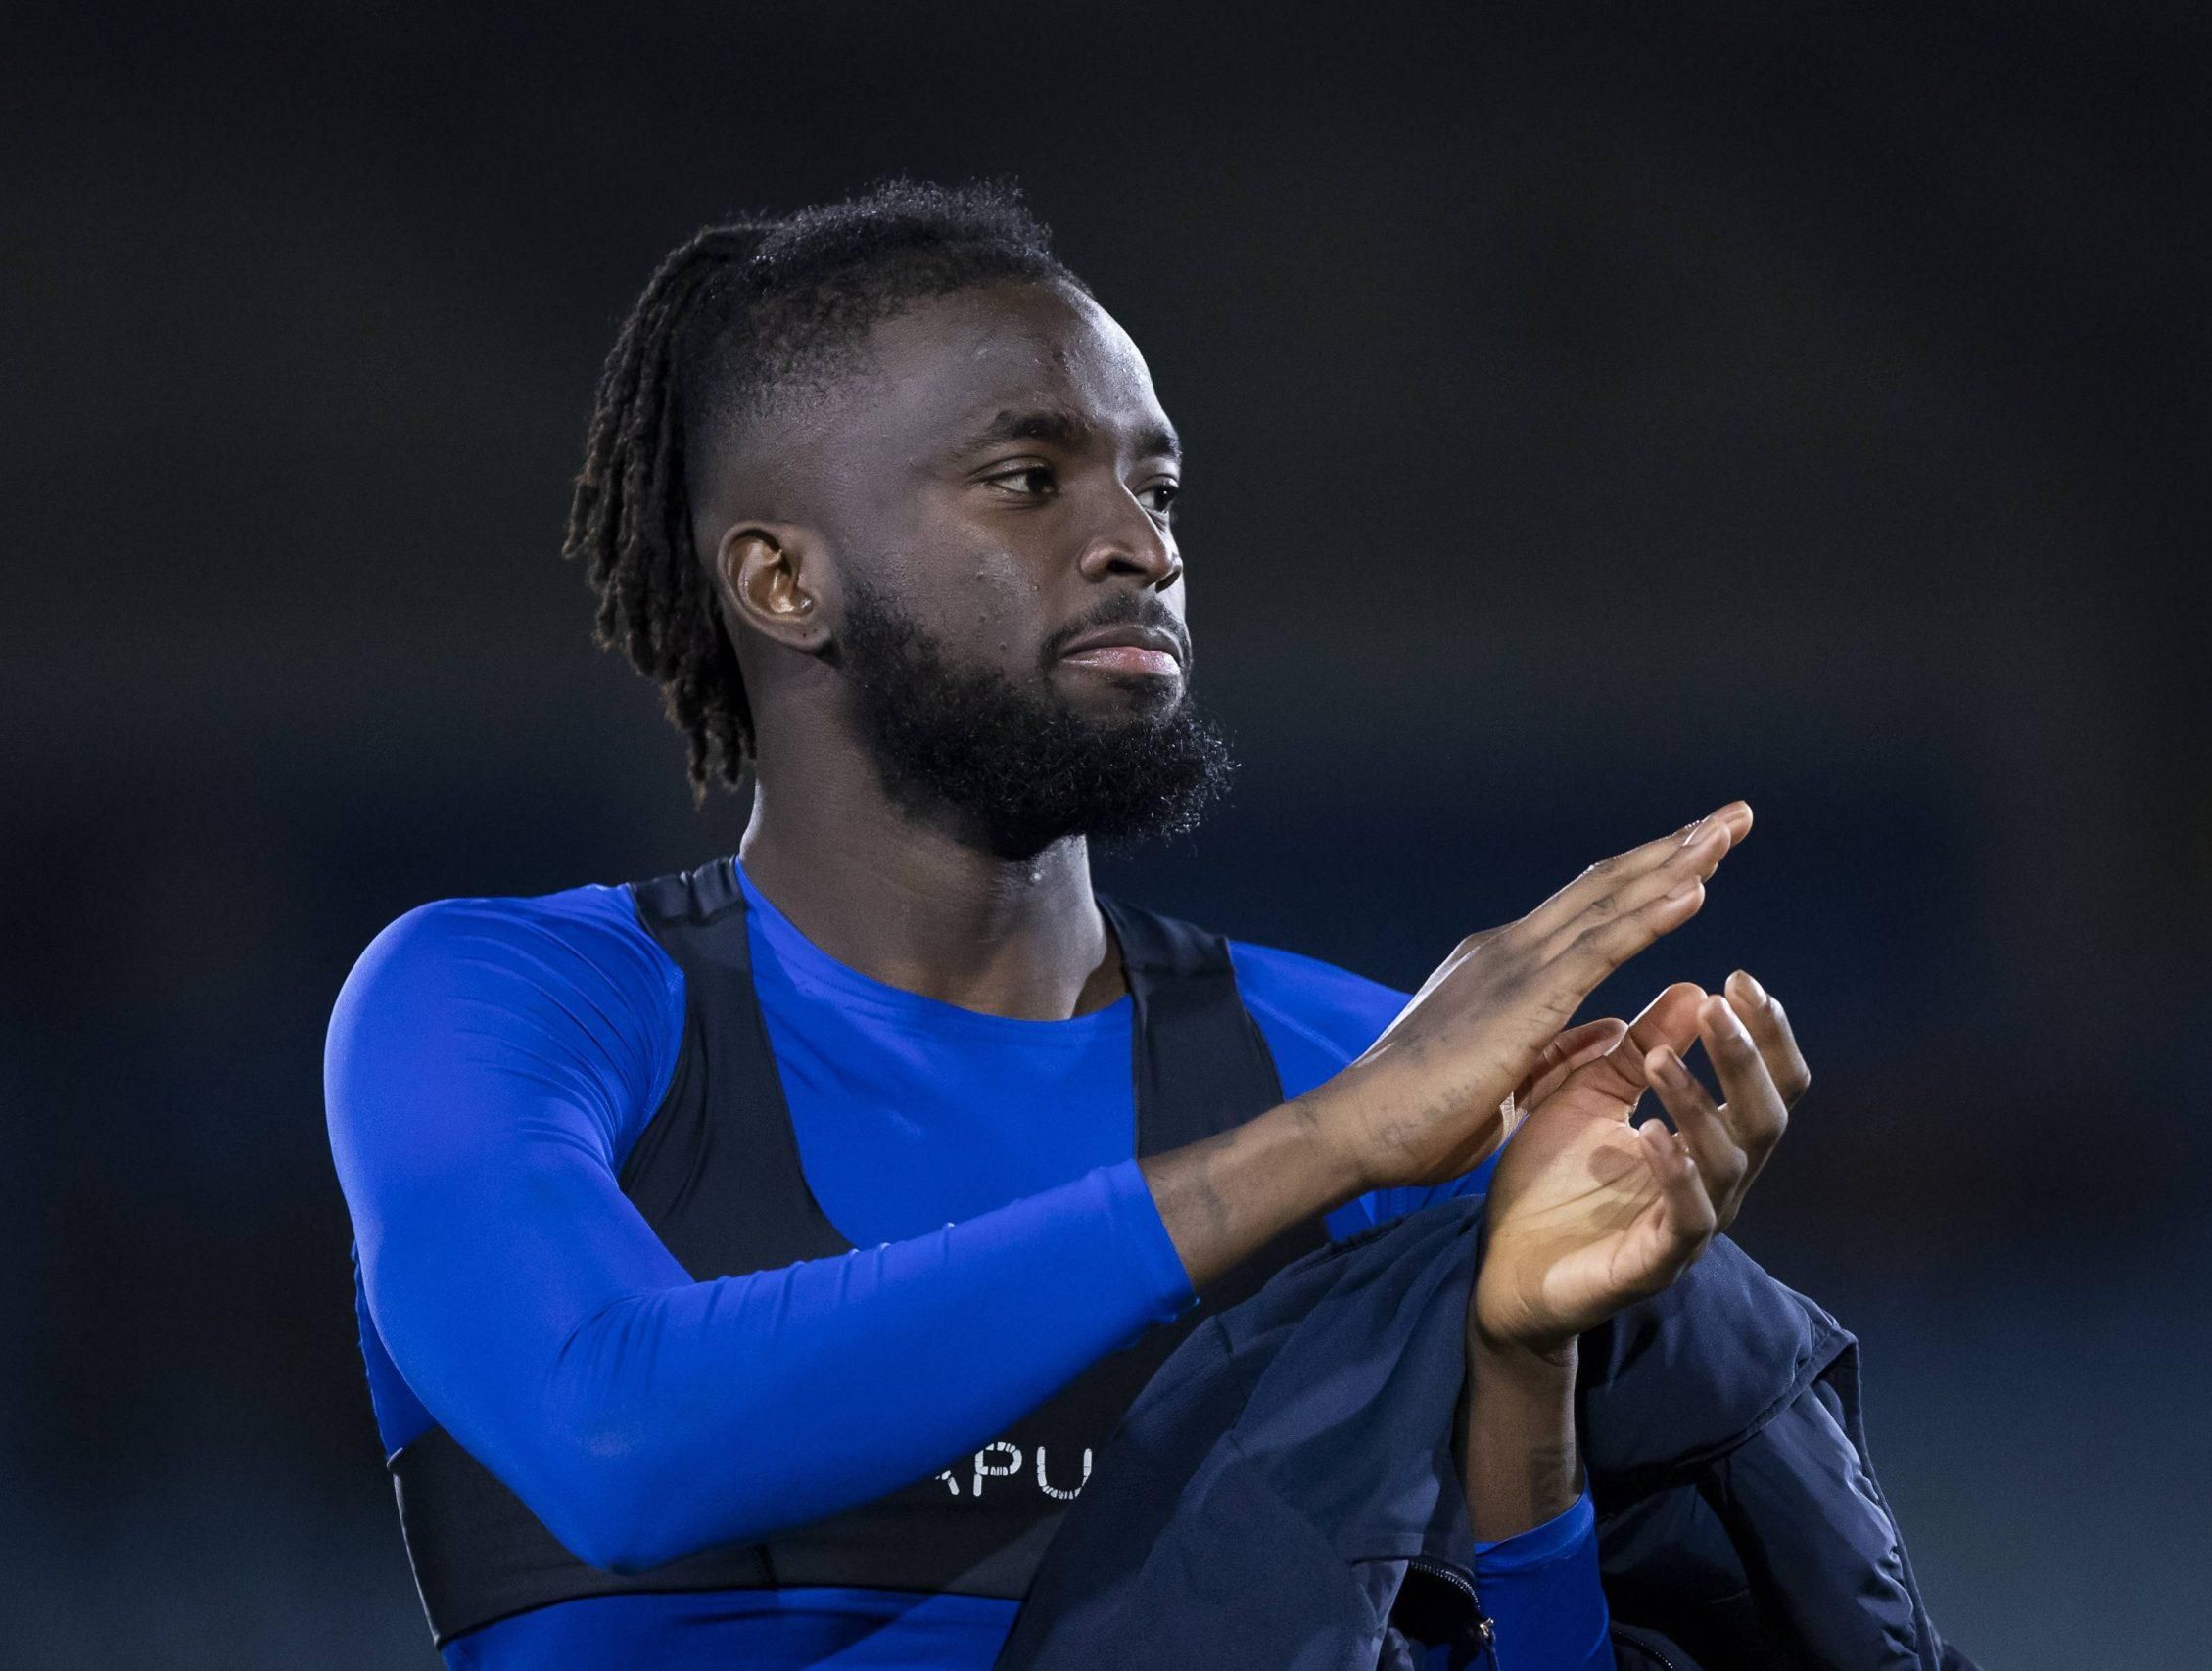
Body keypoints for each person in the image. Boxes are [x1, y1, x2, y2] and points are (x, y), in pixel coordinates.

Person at [323, 179, 1807, 1671]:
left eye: (1155, 489)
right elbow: (614, 1438)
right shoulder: (507, 1002)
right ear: (782, 581)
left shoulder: (1384, 1077)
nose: (1143, 549)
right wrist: (1325, 1147)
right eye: (1029, 479)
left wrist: (1521, 1376)